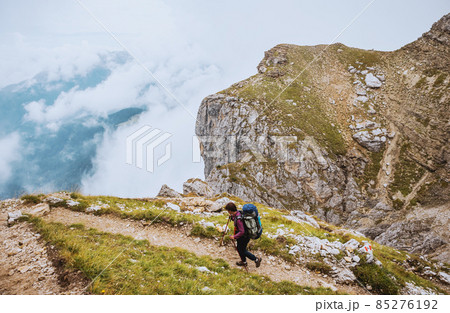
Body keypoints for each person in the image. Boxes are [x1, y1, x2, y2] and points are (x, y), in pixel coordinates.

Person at [225, 202, 262, 267]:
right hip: (245, 236)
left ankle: (256, 259)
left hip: (243, 237)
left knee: (242, 250)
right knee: (240, 248)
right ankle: (244, 261)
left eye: (228, 211)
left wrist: (234, 237)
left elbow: (241, 231)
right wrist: (232, 217)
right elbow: (236, 219)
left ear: (230, 210)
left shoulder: (238, 218)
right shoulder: (239, 213)